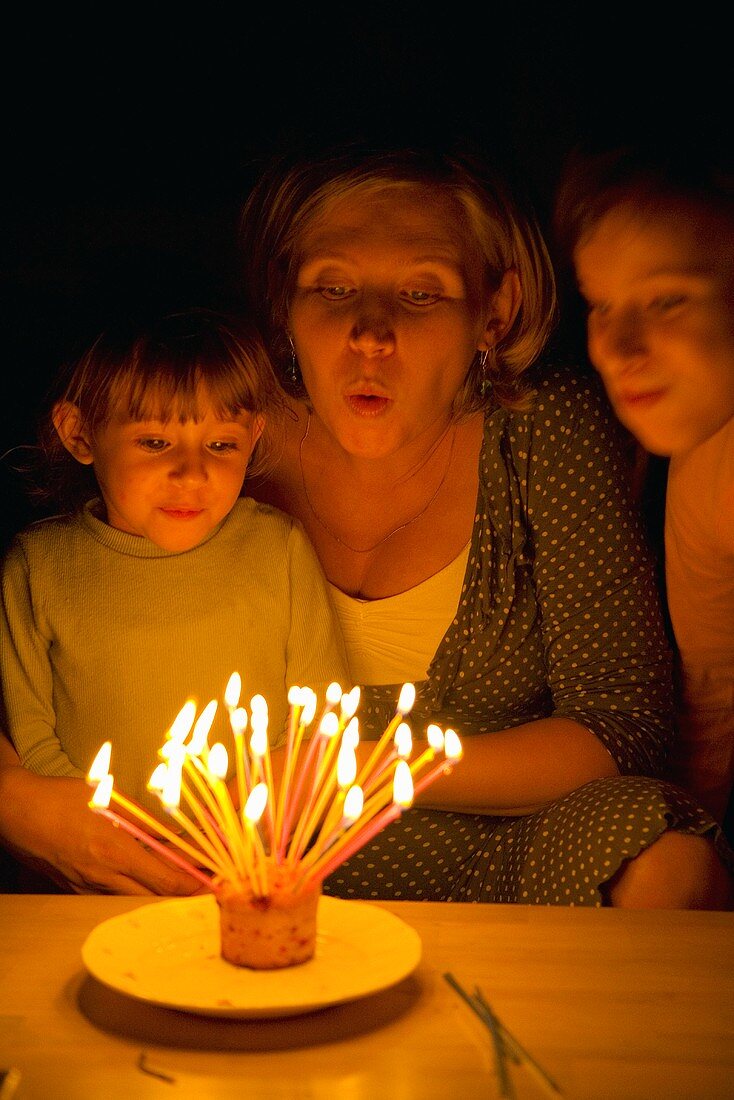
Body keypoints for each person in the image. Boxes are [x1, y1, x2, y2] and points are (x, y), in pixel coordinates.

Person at [1, 139, 732, 906]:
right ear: (285, 299)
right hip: (217, 863)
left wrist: (376, 764)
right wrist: (22, 797)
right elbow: (53, 606)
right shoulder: (211, 423)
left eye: (422, 294)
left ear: (496, 309)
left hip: (502, 863)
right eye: (335, 288)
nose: (371, 336)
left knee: (665, 855)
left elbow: (624, 724)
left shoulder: (544, 429)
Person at [0, 306, 348, 892]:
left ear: (254, 435)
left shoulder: (278, 549)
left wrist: (240, 838)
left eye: (220, 443)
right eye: (156, 441)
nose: (191, 473)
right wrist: (117, 849)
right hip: (90, 888)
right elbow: (34, 737)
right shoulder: (38, 568)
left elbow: (316, 725)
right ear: (79, 433)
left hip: (245, 878)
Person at [552, 140, 734, 830]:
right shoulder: (702, 463)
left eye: (665, 301)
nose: (620, 349)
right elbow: (715, 698)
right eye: (600, 306)